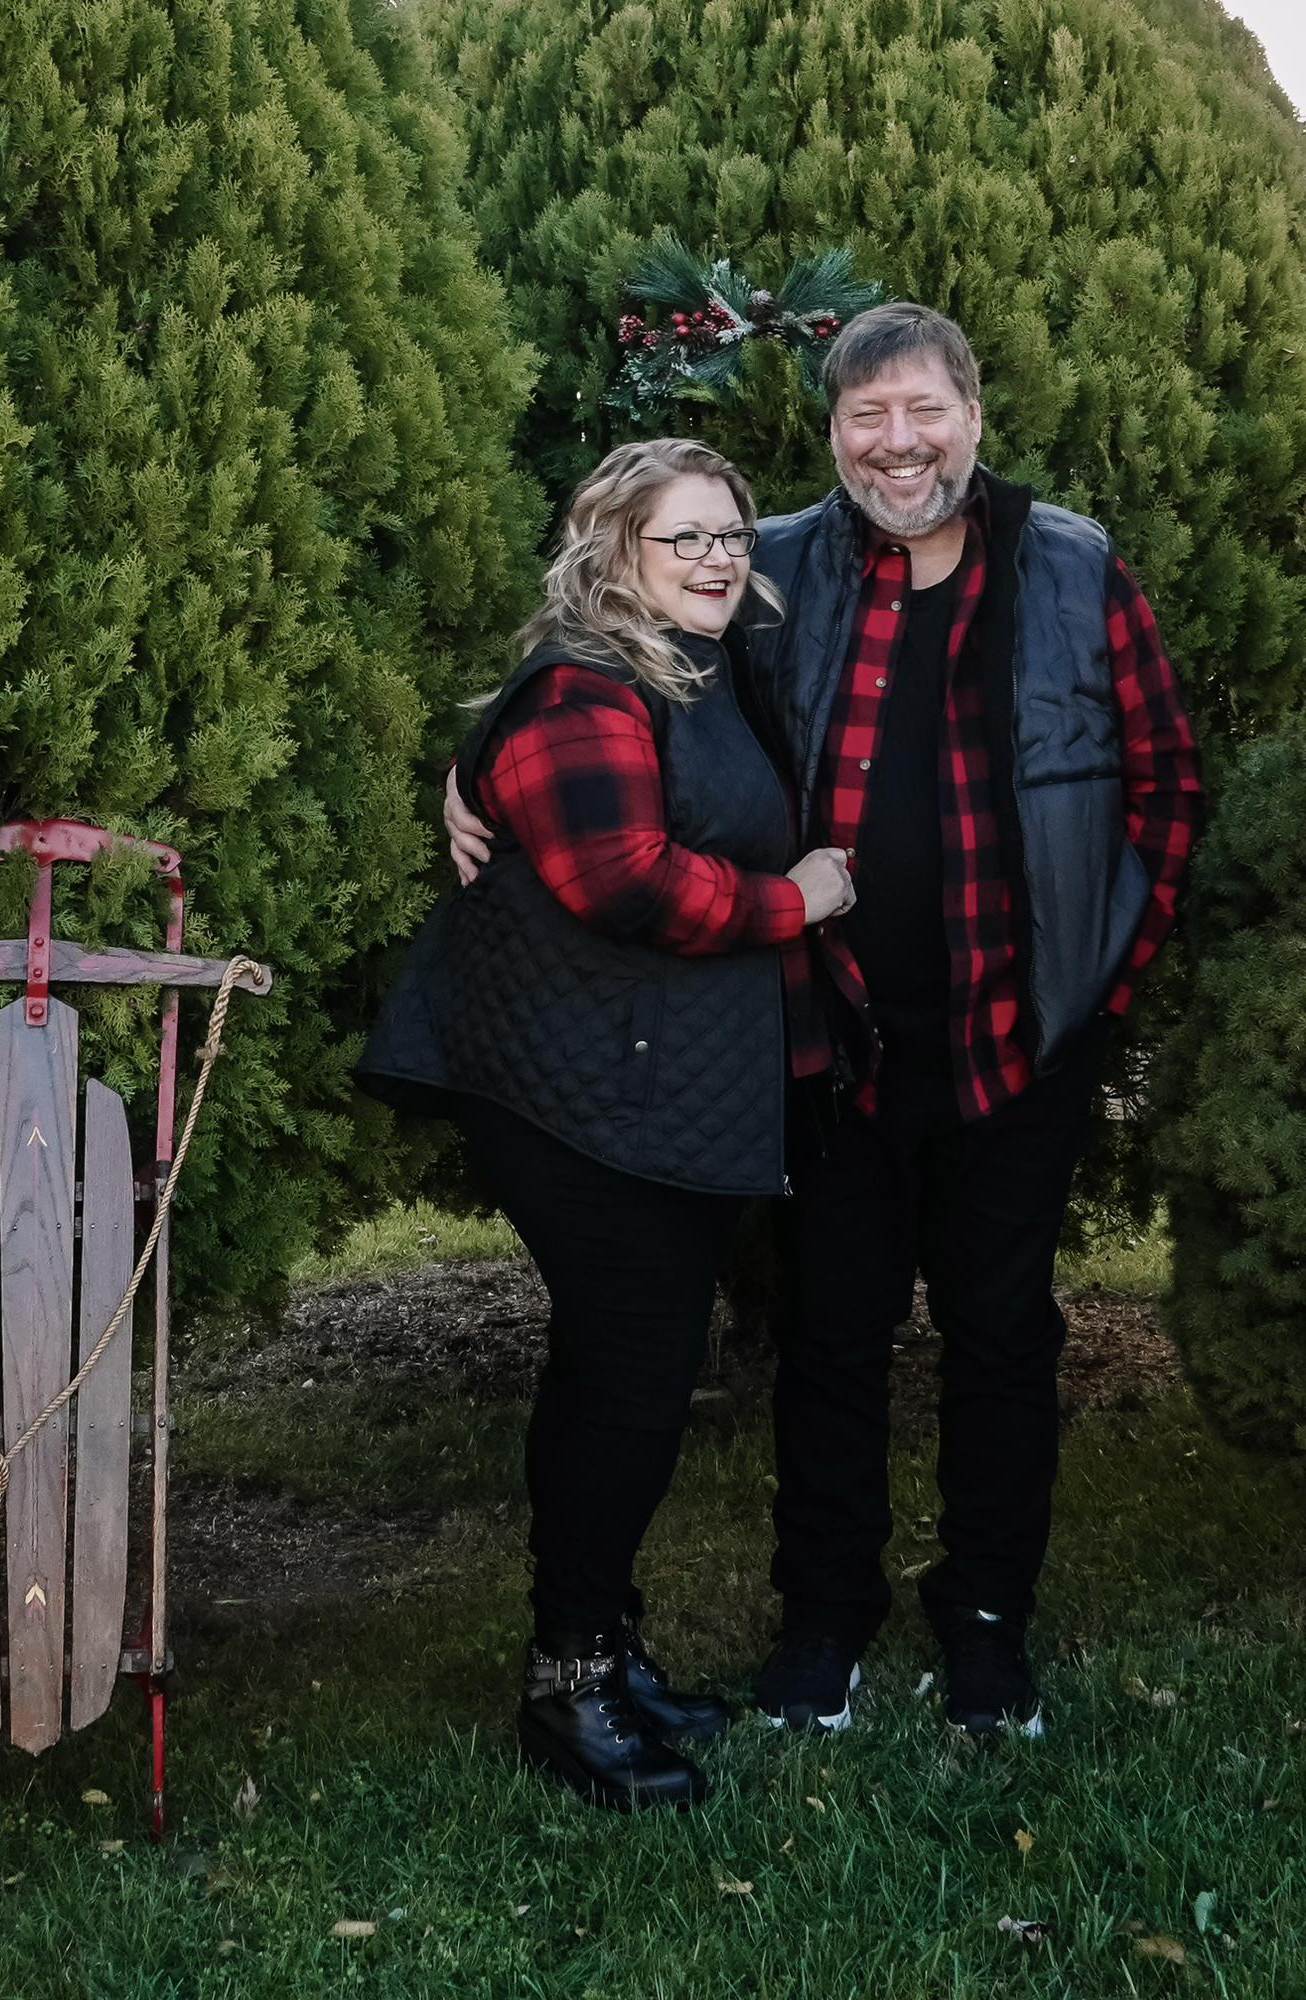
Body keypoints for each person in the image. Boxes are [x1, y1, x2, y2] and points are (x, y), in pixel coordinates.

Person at [446, 305, 1203, 1741]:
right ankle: (823, 1619)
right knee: (831, 1336)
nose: (897, 444)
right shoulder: (776, 568)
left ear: (971, 417)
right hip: (830, 1037)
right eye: (867, 416)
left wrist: (1104, 976)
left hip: (1018, 1040)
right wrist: (475, 769)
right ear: (835, 432)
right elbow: (613, 682)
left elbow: (1163, 782)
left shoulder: (1071, 568)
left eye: (923, 411)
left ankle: (987, 1620)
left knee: (1002, 1337)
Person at [359, 438, 854, 1811]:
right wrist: (799, 901)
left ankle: (600, 1647)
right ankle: (568, 1681)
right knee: (632, 1374)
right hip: (568, 1093)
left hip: (635, 1076)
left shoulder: (692, 667)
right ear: (610, 551)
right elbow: (624, 881)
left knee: (607, 1367)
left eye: (730, 536)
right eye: (680, 536)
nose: (715, 559)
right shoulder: (585, 684)